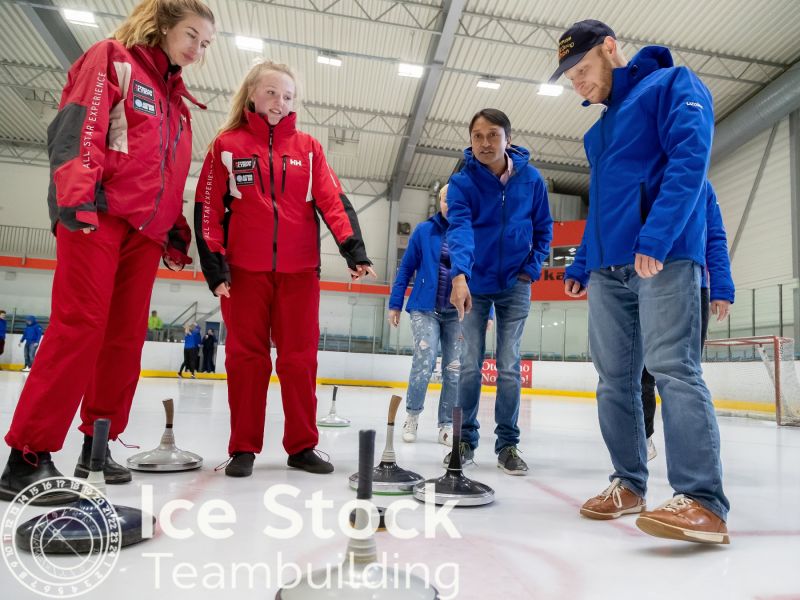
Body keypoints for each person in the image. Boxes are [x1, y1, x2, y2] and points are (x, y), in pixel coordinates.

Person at [0, 0, 215, 504]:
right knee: (80, 326)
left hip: (143, 232)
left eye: (206, 44)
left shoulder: (179, 110)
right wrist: (75, 197)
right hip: (97, 213)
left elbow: (164, 175)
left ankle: (96, 447)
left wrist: (174, 228)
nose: (198, 50)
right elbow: (78, 129)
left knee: (122, 340)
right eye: (191, 36)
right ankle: (26, 455)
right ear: (162, 24)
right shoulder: (112, 58)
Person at [553, 20, 730, 543]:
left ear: (610, 49)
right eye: (569, 77)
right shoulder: (598, 131)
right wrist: (582, 262)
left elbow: (690, 159)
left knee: (673, 369)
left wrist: (656, 236)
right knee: (614, 380)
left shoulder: (673, 85)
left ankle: (703, 501)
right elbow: (603, 207)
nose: (577, 83)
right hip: (609, 268)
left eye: (582, 69)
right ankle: (628, 484)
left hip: (664, 256)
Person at [196, 60, 375, 478]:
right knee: (246, 360)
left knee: (299, 360)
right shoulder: (227, 144)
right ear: (253, 94)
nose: (280, 102)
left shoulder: (309, 149)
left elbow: (333, 200)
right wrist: (215, 267)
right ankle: (243, 448)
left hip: (299, 274)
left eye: (288, 96)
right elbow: (207, 209)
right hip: (244, 274)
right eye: (273, 93)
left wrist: (354, 250)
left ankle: (301, 446)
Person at [446, 108, 553, 476]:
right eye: (478, 136)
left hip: (515, 285)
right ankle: (465, 440)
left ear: (508, 138)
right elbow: (459, 229)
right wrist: (460, 274)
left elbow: (543, 229)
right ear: (470, 140)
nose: (485, 143)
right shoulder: (462, 182)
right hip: (475, 283)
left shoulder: (532, 179)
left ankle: (508, 444)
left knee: (509, 366)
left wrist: (531, 268)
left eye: (493, 135)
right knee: (471, 365)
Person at [642, 182, 734, 461]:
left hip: (693, 282)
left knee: (681, 370)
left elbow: (715, 237)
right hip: (645, 279)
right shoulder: (645, 178)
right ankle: (643, 438)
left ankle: (694, 458)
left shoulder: (702, 186)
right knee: (642, 372)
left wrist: (721, 287)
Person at [389, 184, 461, 447]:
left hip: (458, 313)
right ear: (439, 202)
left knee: (454, 370)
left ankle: (446, 425)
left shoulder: (469, 232)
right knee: (424, 361)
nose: (450, 205)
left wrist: (486, 314)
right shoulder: (423, 231)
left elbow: (479, 276)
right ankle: (412, 416)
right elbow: (406, 268)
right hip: (424, 309)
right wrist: (395, 304)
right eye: (445, 200)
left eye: (455, 200)